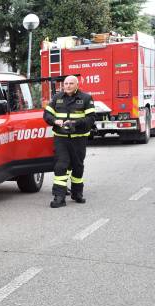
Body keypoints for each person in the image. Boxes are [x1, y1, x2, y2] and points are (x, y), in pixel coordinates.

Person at [43, 75, 95, 207]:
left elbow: (91, 119)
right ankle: (59, 197)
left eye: (71, 83)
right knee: (61, 165)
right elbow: (46, 114)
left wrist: (75, 123)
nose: (68, 86)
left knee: (77, 167)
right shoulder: (57, 98)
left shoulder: (86, 98)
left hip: (78, 139)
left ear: (77, 85)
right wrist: (55, 121)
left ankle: (77, 193)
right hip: (61, 138)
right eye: (66, 83)